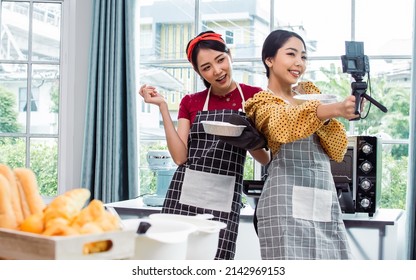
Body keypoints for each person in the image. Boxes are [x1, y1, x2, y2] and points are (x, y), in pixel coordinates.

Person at [139, 31, 270, 260]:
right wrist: (161, 106)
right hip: (183, 195)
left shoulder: (254, 97)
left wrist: (247, 138)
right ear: (199, 72)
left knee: (217, 261)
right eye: (206, 67)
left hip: (224, 197)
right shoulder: (191, 102)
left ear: (230, 55)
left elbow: (265, 159)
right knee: (173, 261)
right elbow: (180, 158)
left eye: (220, 60)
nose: (217, 71)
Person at [244, 29, 357, 260]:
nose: (299, 63)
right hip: (283, 203)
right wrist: (334, 109)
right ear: (269, 59)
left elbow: (337, 149)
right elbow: (282, 124)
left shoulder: (310, 94)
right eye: (291, 54)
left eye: (303, 56)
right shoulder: (261, 103)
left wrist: (328, 110)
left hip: (321, 198)